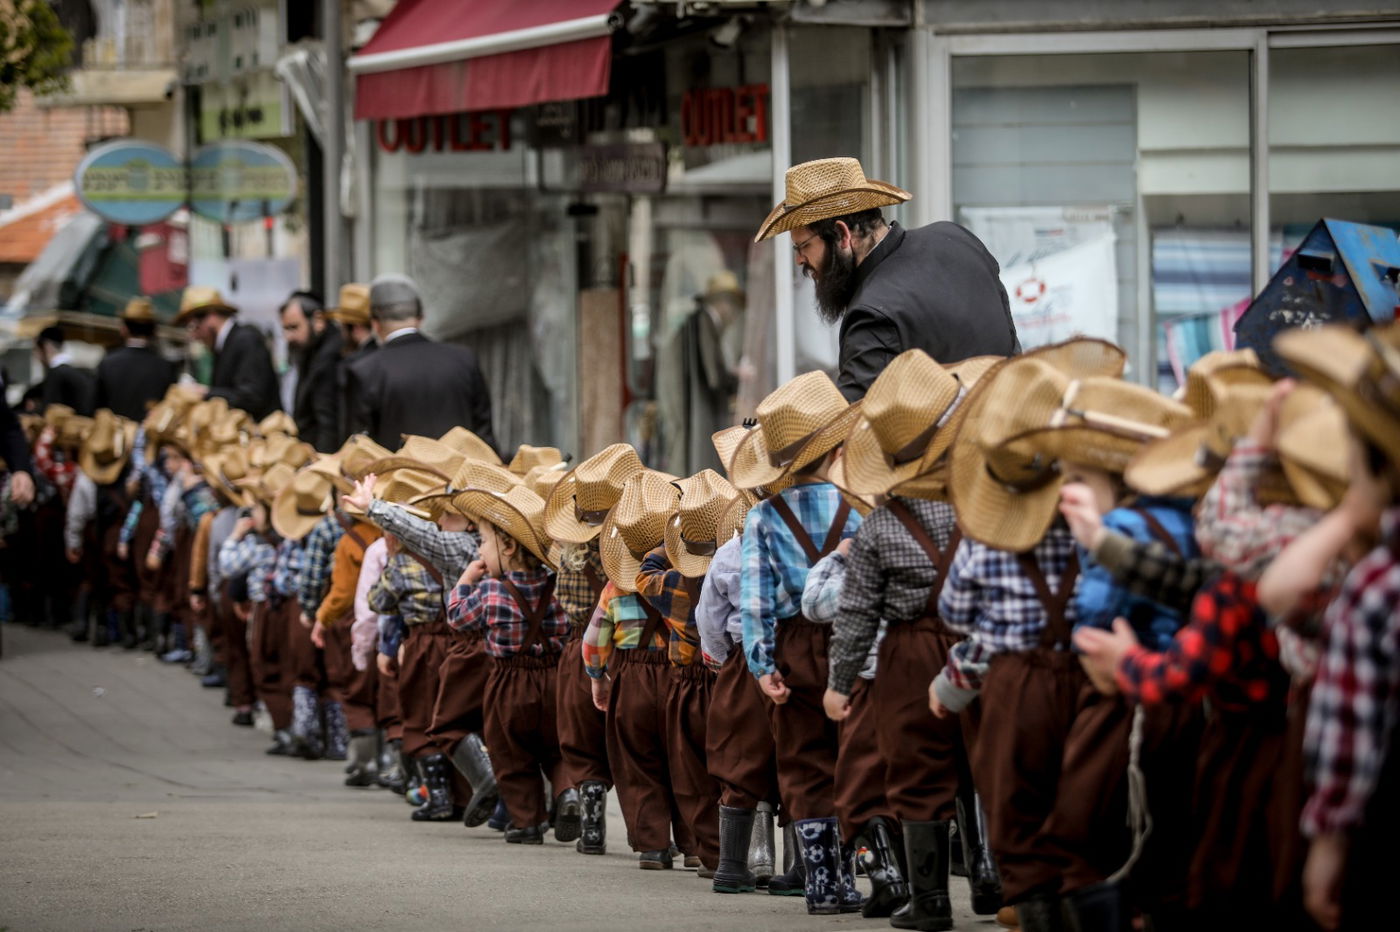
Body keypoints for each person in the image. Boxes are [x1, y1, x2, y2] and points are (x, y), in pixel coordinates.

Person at [731, 370, 863, 915]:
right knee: (857, 755)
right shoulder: (859, 503)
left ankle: (821, 882)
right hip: (853, 639)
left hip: (793, 645)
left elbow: (754, 598)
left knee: (804, 760)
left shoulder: (763, 516)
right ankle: (863, 867)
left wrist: (762, 664)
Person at [755, 157, 1020, 401]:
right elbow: (1009, 339)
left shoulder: (871, 315)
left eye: (803, 247)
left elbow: (849, 424)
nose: (800, 260)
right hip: (1022, 425)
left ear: (842, 235)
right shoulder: (957, 238)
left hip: (958, 449)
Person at [344, 275, 496, 453]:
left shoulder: (365, 371)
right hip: (461, 478)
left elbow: (360, 446)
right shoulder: (463, 359)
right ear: (420, 318)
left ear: (375, 323)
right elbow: (484, 435)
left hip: (400, 478)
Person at [175, 286, 282, 420]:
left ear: (211, 317)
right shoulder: (224, 346)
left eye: (194, 327)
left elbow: (252, 397)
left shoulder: (245, 340)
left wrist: (206, 393)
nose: (195, 336)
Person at [94, 298, 178, 420]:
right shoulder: (166, 367)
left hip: (114, 435)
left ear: (124, 329)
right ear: (154, 331)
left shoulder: (108, 363)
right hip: (150, 437)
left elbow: (95, 408)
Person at [280, 291, 343, 453]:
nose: (289, 336)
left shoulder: (329, 355)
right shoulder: (311, 350)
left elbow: (328, 422)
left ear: (318, 321)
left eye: (294, 327)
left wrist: (320, 466)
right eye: (286, 329)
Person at [33, 325, 96, 415]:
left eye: (36, 350)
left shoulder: (56, 374)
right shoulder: (83, 372)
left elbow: (49, 411)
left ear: (46, 347)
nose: (36, 356)